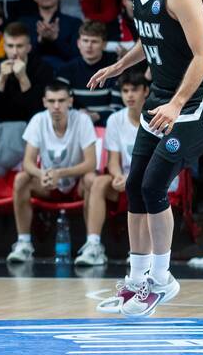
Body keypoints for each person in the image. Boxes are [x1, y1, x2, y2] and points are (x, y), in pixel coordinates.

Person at [88, 0, 203, 318]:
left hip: (200, 99)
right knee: (134, 184)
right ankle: (136, 280)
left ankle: (162, 280)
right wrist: (118, 66)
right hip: (164, 97)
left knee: (153, 184)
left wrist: (178, 104)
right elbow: (148, 40)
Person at [77, 72, 171, 266]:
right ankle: (93, 245)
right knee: (98, 182)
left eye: (134, 90)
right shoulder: (115, 120)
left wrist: (130, 179)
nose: (129, 95)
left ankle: (144, 252)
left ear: (146, 91)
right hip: (125, 180)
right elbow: (112, 161)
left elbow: (160, 164)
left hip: (153, 179)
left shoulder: (160, 117)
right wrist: (119, 176)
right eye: (125, 91)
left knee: (147, 187)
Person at [6, 81, 97, 263]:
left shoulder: (82, 120)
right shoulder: (38, 120)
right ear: (44, 102)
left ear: (70, 101)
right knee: (21, 179)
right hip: (47, 183)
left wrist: (60, 173)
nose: (56, 106)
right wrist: (44, 175)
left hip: (75, 183)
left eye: (61, 100)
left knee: (92, 179)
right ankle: (24, 244)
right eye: (52, 101)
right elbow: (28, 162)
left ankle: (93, 246)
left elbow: (91, 163)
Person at [0, 22, 53, 122]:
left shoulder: (43, 68)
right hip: (1, 123)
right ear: (4, 47)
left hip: (30, 122)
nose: (14, 52)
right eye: (10, 46)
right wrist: (2, 77)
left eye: (19, 46)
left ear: (29, 48)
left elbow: (39, 110)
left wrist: (23, 77)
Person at [57, 20, 120, 124]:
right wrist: (79, 112)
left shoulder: (114, 69)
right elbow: (60, 103)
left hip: (108, 124)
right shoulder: (65, 70)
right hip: (74, 122)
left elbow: (119, 107)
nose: (89, 46)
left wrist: (97, 116)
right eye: (85, 41)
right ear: (78, 43)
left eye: (94, 41)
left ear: (104, 44)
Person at [20, 0, 82, 68]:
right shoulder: (23, 23)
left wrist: (56, 39)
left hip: (64, 76)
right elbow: (18, 55)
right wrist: (39, 41)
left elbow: (77, 57)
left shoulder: (74, 23)